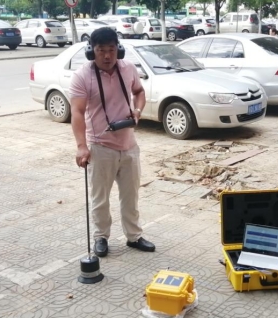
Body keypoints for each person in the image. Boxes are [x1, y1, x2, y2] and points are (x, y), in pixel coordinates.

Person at [69, 27, 155, 257]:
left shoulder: (128, 68)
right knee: (100, 198)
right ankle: (101, 238)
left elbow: (139, 91)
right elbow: (76, 112)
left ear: (119, 49)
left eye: (111, 49)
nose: (107, 56)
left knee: (130, 196)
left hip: (129, 146)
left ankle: (134, 236)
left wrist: (137, 110)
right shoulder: (82, 76)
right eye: (101, 50)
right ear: (91, 51)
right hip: (100, 146)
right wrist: (81, 146)